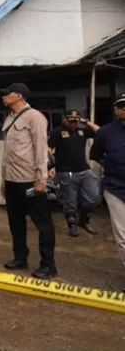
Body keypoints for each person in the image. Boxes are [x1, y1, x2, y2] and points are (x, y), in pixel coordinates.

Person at [0, 83, 57, 279]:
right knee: (15, 222)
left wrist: (40, 179)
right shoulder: (10, 118)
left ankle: (48, 264)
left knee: (43, 224)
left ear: (19, 95)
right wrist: (3, 180)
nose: (4, 97)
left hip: (30, 180)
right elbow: (8, 154)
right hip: (12, 179)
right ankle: (20, 257)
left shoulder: (35, 117)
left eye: (7, 94)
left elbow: (41, 149)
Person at [89, 94, 125, 284]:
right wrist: (111, 165)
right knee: (122, 236)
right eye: (121, 106)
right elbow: (95, 154)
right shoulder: (105, 132)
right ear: (116, 109)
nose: (124, 109)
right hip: (115, 188)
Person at [49, 109, 101, 237]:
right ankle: (72, 224)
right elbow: (49, 149)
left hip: (84, 169)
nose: (74, 124)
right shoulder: (57, 132)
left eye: (76, 121)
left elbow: (100, 131)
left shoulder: (81, 131)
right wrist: (51, 165)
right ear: (64, 120)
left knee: (93, 198)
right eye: (71, 121)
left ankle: (83, 220)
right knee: (70, 202)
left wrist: (85, 121)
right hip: (66, 172)